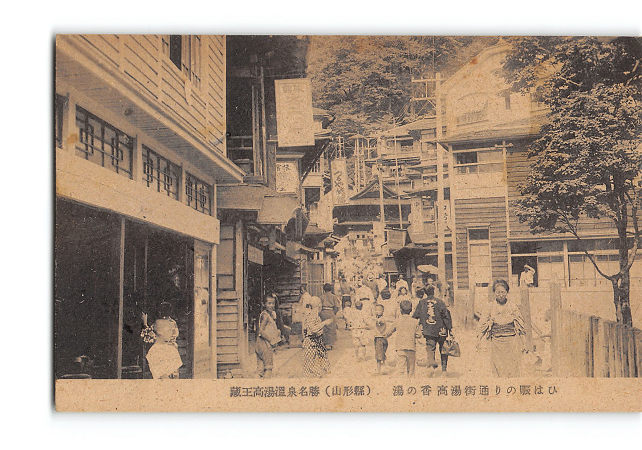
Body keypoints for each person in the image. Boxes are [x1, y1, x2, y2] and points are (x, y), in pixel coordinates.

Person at [478, 279, 527, 378]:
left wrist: (524, 343)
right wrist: (478, 340)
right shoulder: (489, 307)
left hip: (511, 342)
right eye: (498, 292)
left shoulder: (512, 306)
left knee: (512, 369)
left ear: (507, 292)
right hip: (496, 342)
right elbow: (482, 326)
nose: (500, 295)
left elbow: (520, 325)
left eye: (503, 292)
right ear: (494, 293)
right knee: (498, 370)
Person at [413, 286, 453, 373]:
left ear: (426, 293)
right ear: (434, 292)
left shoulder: (422, 302)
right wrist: (450, 329)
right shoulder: (440, 302)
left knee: (430, 348)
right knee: (443, 349)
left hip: (429, 330)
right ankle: (444, 370)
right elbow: (446, 316)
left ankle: (432, 368)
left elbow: (415, 315)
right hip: (441, 330)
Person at [140, 301, 183, 379]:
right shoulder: (173, 322)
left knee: (162, 374)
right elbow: (175, 334)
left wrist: (145, 324)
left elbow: (151, 335)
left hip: (161, 350)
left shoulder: (158, 323)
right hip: (172, 349)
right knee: (173, 374)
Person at [386, 300, 421, 376]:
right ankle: (410, 382)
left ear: (400, 310)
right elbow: (419, 335)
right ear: (411, 310)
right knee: (411, 369)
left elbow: (388, 333)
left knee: (400, 369)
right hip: (411, 347)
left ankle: (401, 381)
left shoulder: (397, 321)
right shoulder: (415, 322)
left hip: (400, 347)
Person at [302, 296, 333, 377]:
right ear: (319, 305)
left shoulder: (313, 314)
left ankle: (322, 372)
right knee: (312, 364)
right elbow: (313, 329)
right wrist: (324, 323)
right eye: (320, 304)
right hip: (312, 341)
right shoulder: (312, 315)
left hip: (316, 340)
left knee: (321, 357)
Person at [255, 294, 282, 378]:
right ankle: (266, 383)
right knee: (268, 368)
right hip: (264, 344)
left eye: (273, 303)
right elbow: (261, 331)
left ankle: (257, 383)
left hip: (260, 344)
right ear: (264, 304)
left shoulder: (269, 315)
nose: (271, 305)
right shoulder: (265, 316)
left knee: (260, 370)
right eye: (269, 303)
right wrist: (271, 340)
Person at [320, 283, 341, 349]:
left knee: (324, 328)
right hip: (331, 312)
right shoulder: (333, 296)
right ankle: (330, 344)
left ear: (324, 289)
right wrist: (334, 313)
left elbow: (319, 306)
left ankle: (325, 343)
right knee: (331, 329)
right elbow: (337, 306)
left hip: (323, 312)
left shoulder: (321, 296)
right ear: (330, 289)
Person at [373, 303, 389, 374]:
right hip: (382, 338)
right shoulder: (379, 318)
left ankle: (378, 370)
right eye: (376, 310)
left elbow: (380, 323)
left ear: (383, 311)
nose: (377, 311)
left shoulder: (381, 319)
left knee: (378, 356)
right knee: (382, 354)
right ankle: (383, 368)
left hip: (379, 338)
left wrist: (377, 322)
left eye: (379, 310)